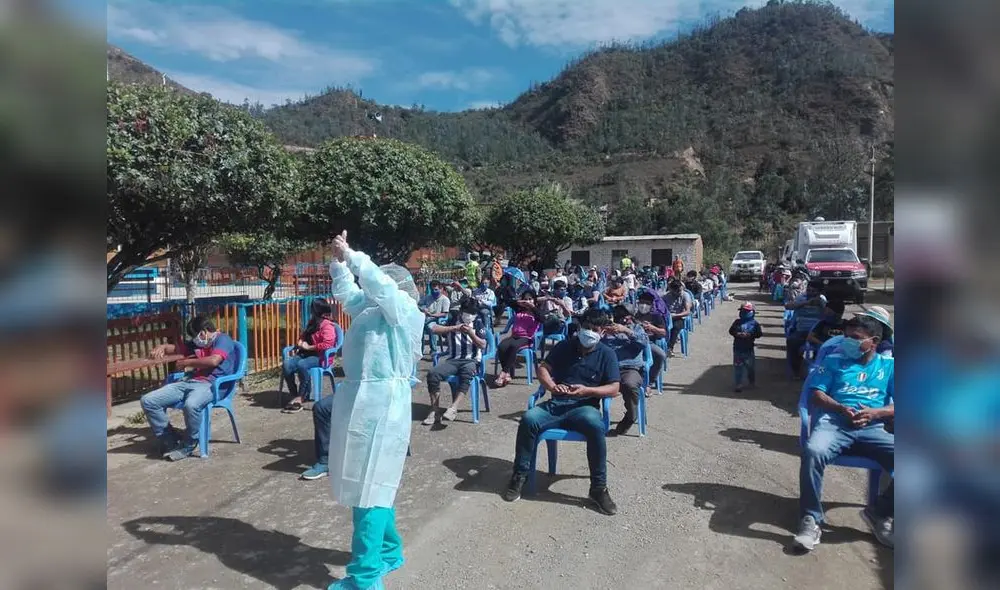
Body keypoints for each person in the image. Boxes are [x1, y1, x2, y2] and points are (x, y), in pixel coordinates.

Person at [325, 230, 424, 590]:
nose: (371, 291)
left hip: (385, 406)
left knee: (370, 489)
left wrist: (352, 255)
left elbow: (380, 286)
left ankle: (365, 578)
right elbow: (351, 295)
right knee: (370, 484)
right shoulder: (370, 310)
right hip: (360, 401)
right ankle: (389, 550)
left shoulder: (403, 310)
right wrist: (339, 265)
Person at [502, 308, 620, 515]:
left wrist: (588, 391)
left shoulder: (607, 354)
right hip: (557, 404)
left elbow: (614, 388)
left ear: (602, 332)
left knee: (595, 426)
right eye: (586, 327)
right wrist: (552, 386)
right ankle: (519, 476)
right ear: (579, 327)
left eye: (594, 329)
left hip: (585, 407)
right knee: (529, 419)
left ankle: (598, 488)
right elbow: (543, 368)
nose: (588, 332)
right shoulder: (565, 346)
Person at [793, 313, 894, 552]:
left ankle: (879, 513)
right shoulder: (833, 361)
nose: (847, 341)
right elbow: (817, 394)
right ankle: (811, 519)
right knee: (813, 451)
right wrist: (840, 408)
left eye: (855, 338)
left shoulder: (889, 366)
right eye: (846, 336)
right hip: (835, 424)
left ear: (875, 341)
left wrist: (876, 413)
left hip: (874, 427)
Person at [141, 315, 238, 461]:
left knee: (191, 404)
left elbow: (214, 360)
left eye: (195, 336)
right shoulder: (199, 343)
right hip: (190, 381)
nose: (194, 340)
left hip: (213, 384)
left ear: (203, 332)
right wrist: (161, 347)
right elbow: (176, 348)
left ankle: (189, 442)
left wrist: (188, 362)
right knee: (148, 400)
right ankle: (170, 440)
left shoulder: (223, 340)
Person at [423, 299, 488, 425]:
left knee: (467, 373)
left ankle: (453, 408)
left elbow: (483, 345)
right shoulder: (454, 319)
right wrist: (454, 328)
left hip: (471, 360)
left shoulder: (478, 323)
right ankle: (435, 410)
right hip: (453, 359)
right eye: (467, 312)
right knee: (433, 374)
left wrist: (470, 333)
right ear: (461, 311)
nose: (469, 315)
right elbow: (434, 329)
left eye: (472, 313)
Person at [281, 298, 338, 413]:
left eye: (312, 308)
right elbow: (304, 335)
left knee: (302, 365)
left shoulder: (328, 326)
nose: (311, 311)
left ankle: (301, 397)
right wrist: (300, 342)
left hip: (320, 356)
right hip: (305, 353)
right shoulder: (312, 322)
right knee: (287, 364)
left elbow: (327, 344)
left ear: (317, 310)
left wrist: (309, 347)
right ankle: (295, 394)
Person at [603, 305, 649, 436]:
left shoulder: (637, 328)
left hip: (629, 368)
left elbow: (644, 343)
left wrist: (626, 331)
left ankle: (630, 416)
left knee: (629, 384)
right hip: (607, 368)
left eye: (625, 315)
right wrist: (601, 334)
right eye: (618, 314)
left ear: (630, 317)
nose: (621, 317)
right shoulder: (608, 328)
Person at [495, 290, 543, 387]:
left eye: (530, 299)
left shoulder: (536, 312)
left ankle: (503, 373)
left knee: (513, 346)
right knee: (502, 346)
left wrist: (532, 306)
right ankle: (508, 373)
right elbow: (507, 301)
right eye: (525, 299)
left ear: (534, 300)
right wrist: (519, 302)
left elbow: (542, 319)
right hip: (514, 336)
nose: (528, 301)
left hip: (527, 338)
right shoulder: (519, 310)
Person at [785, 280, 828, 377]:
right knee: (792, 342)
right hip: (802, 330)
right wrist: (805, 303)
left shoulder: (822, 300)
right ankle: (796, 370)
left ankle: (818, 368)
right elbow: (788, 306)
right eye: (809, 290)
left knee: (824, 345)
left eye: (814, 291)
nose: (811, 293)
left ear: (819, 292)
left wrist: (821, 305)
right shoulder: (802, 297)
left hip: (817, 331)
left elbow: (827, 314)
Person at [728, 302, 763, 392]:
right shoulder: (737, 322)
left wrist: (750, 335)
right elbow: (731, 331)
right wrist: (738, 334)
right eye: (742, 311)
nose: (744, 313)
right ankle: (738, 384)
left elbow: (759, 334)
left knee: (750, 368)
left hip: (749, 350)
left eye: (746, 311)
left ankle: (752, 382)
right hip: (737, 349)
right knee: (738, 367)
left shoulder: (755, 324)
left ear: (752, 312)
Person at [634, 291, 667, 377]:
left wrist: (652, 328)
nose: (644, 305)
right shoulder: (632, 314)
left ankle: (651, 380)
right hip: (633, 342)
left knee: (661, 355)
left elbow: (663, 332)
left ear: (651, 305)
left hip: (649, 343)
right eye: (642, 302)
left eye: (647, 303)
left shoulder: (656, 317)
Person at [418, 280, 450, 352]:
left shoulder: (445, 300)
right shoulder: (428, 297)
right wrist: (423, 309)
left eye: (436, 289)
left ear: (441, 289)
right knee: (419, 328)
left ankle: (434, 350)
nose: (434, 291)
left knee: (431, 327)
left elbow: (444, 313)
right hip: (427, 318)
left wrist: (432, 315)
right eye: (432, 290)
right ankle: (420, 350)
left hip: (438, 320)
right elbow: (419, 304)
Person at [664, 280, 692, 357]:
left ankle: (670, 348)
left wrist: (675, 315)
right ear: (672, 290)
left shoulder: (685, 295)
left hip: (679, 317)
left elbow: (687, 311)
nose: (679, 292)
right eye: (677, 291)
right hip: (668, 317)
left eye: (680, 290)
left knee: (675, 327)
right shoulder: (666, 297)